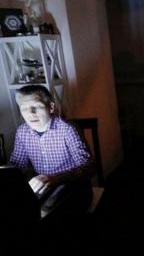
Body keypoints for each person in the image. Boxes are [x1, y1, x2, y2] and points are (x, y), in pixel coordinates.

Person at [9, 85, 94, 222]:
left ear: (51, 107)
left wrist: (54, 178)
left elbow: (89, 167)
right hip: (45, 189)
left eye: (37, 106)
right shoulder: (22, 132)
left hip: (74, 187)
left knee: (53, 219)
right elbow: (17, 165)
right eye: (24, 108)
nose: (31, 113)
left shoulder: (67, 129)